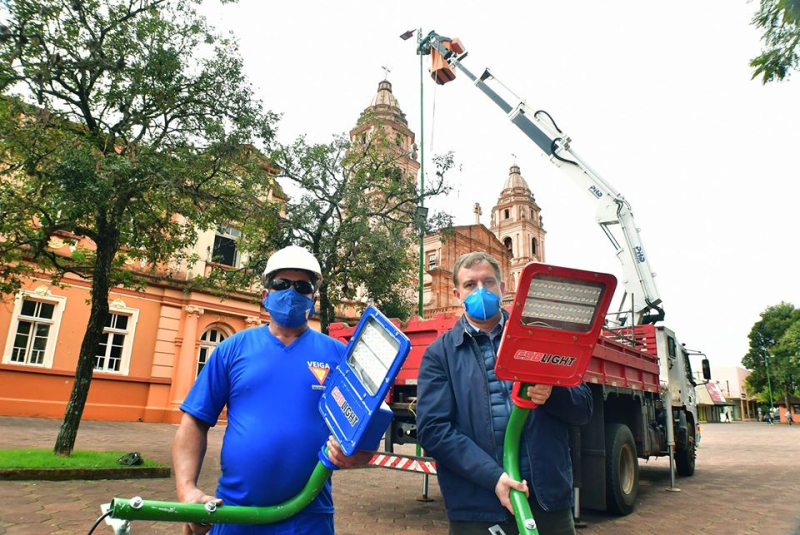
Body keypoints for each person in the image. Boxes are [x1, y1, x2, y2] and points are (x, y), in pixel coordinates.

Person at [172, 245, 372, 535]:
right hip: (235, 514)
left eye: (302, 286)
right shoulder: (232, 349)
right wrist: (187, 491)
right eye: (281, 284)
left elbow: (363, 431)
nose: (291, 292)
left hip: (309, 516)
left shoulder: (339, 355)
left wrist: (358, 455)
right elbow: (194, 421)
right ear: (265, 295)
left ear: (313, 300)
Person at [417, 252, 593, 535]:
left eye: (488, 282)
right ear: (456, 293)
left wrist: (553, 393)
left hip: (546, 502)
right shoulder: (440, 354)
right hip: (477, 507)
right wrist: (493, 478)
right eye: (470, 284)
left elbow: (583, 408)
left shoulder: (541, 338)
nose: (481, 291)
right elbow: (434, 431)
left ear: (503, 286)